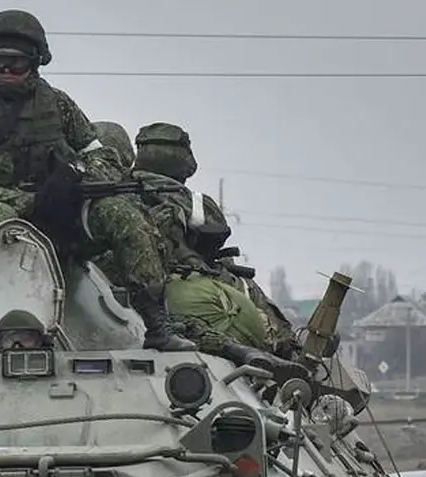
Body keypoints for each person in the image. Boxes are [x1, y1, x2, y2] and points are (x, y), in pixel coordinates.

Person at [0, 9, 195, 352]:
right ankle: (10, 328)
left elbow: (105, 159)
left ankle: (156, 322)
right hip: (2, 212)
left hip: (63, 213)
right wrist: (26, 201)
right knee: (4, 224)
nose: (6, 72)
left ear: (36, 61)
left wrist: (73, 177)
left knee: (123, 215)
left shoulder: (57, 105)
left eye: (16, 64)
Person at [129, 122, 306, 379]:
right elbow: (217, 232)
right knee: (244, 291)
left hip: (138, 291)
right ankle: (286, 353)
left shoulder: (113, 192)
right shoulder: (195, 203)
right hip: (176, 290)